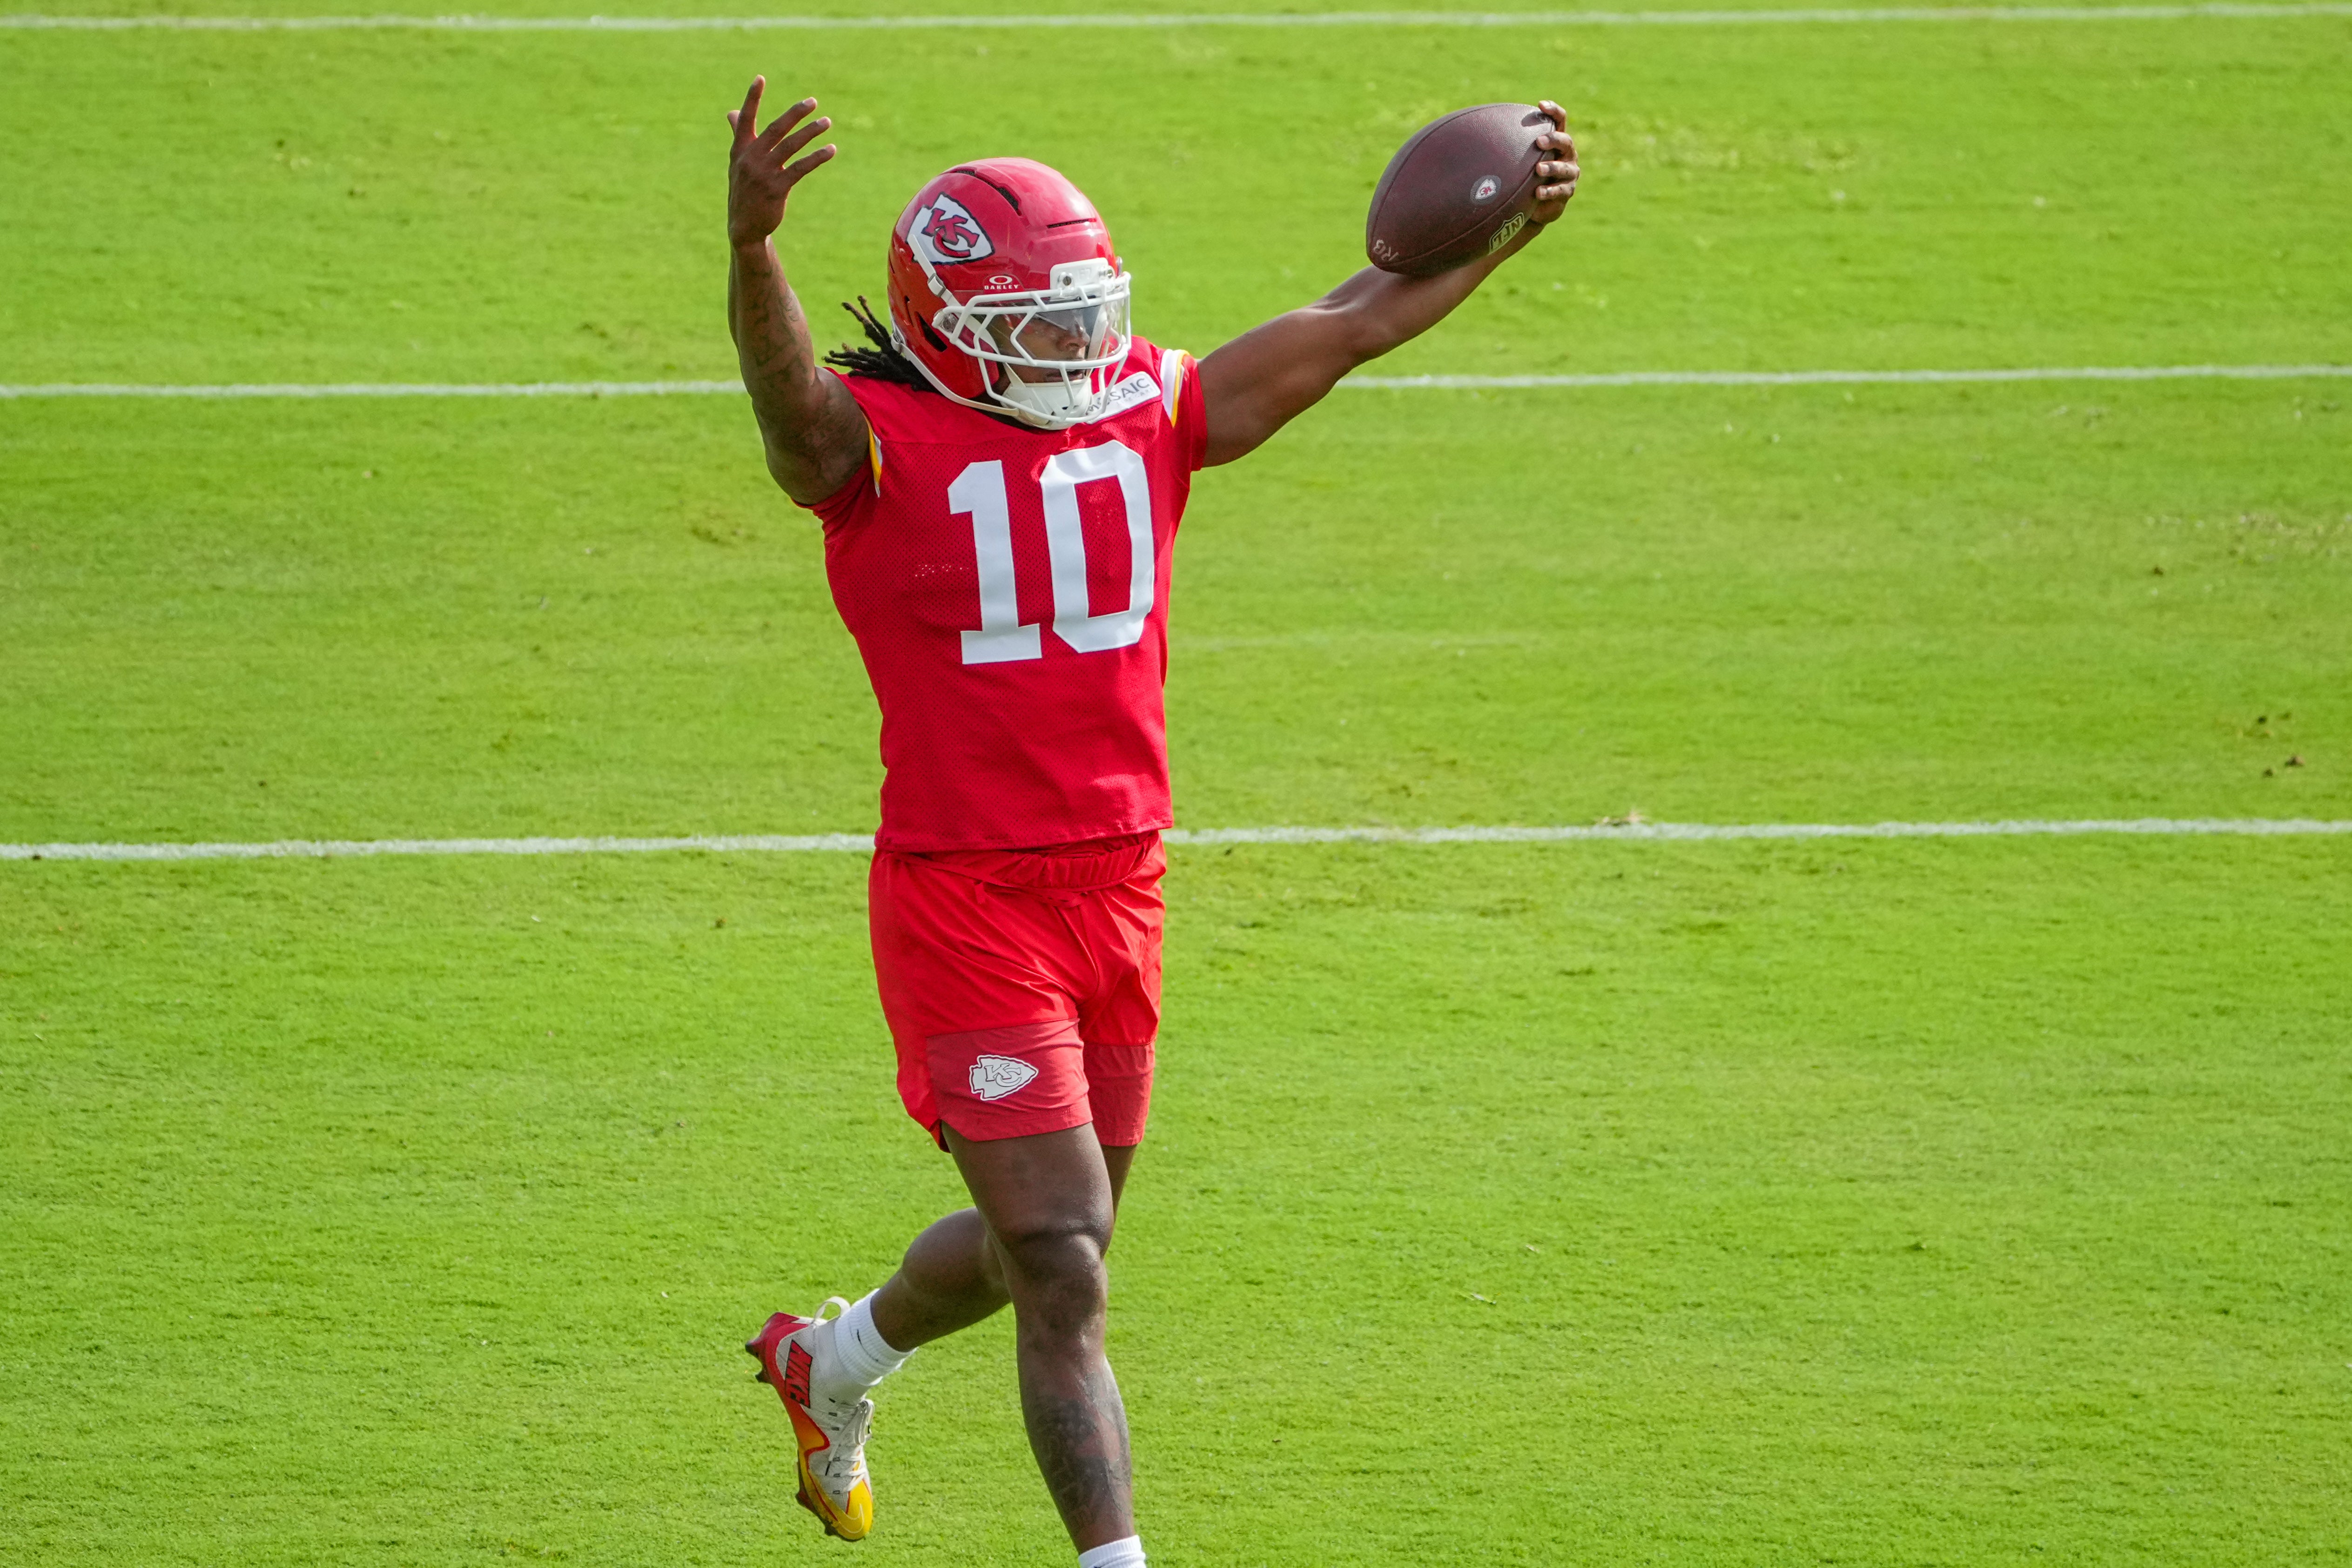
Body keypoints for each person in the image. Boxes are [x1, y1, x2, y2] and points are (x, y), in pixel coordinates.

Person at [723, 77, 1579, 1568]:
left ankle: (834, 1359)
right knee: (1062, 1260)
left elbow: (1358, 316)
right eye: (1035, 325)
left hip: (1119, 890)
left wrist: (1493, 232)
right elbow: (795, 411)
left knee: (1045, 1243)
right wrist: (754, 257)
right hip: (967, 896)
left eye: (1083, 315)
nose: (1071, 347)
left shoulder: (1150, 410)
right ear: (948, 330)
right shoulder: (872, 458)